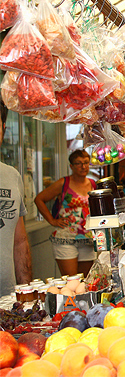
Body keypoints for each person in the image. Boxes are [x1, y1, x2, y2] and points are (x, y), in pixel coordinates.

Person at [35, 150, 97, 277]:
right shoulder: (64, 183)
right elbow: (39, 199)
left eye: (86, 163)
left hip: (88, 239)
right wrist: (52, 220)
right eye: (78, 163)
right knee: (71, 280)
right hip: (66, 238)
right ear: (71, 166)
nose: (83, 166)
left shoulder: (93, 184)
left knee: (85, 281)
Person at [0, 101, 32, 296]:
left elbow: (19, 241)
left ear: (3, 128)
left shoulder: (12, 176)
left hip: (7, 298)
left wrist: (26, 294)